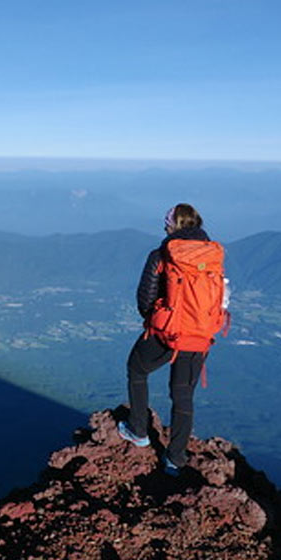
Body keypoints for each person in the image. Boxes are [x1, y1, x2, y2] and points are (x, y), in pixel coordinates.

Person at [117, 203, 219, 476]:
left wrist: (155, 319)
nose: (164, 226)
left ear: (173, 225)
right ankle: (175, 457)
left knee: (136, 369)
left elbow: (145, 297)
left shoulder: (162, 254)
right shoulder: (212, 255)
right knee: (183, 396)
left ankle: (138, 430)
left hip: (167, 333)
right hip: (199, 336)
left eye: (166, 222)